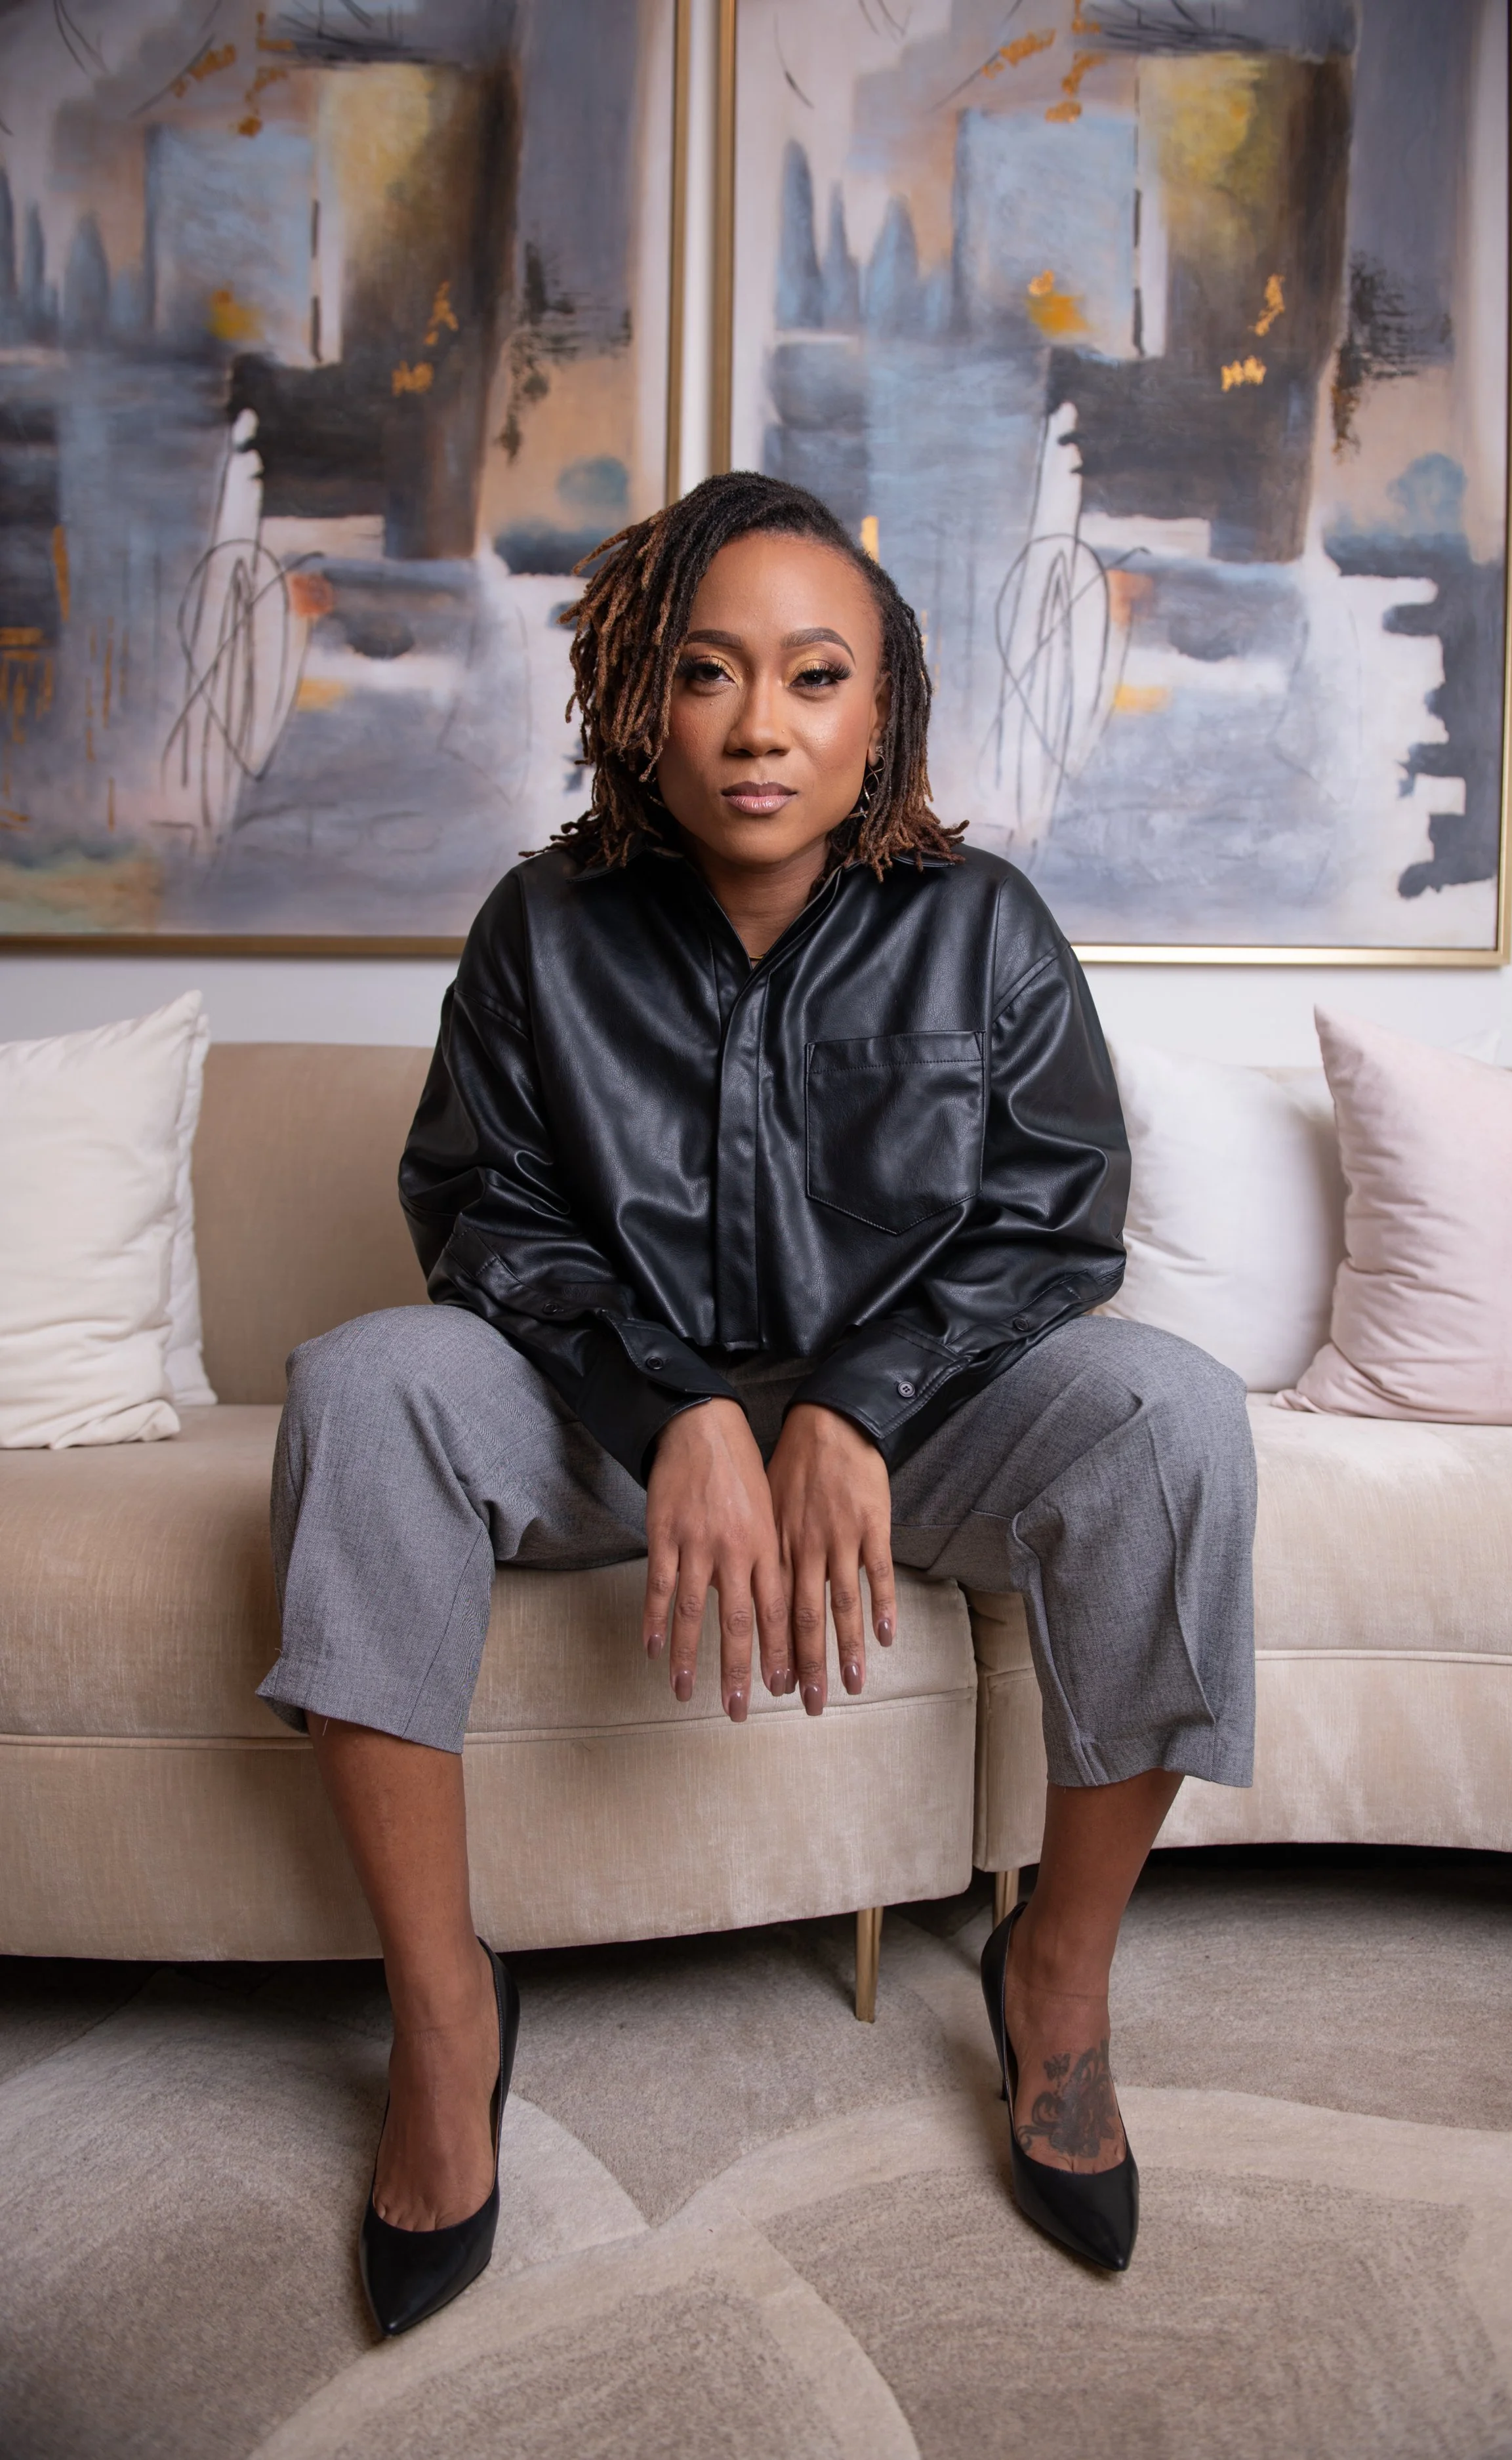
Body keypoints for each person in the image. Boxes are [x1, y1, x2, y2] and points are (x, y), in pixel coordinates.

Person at [260, 472, 1256, 2335]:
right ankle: (444, 2015)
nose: (758, 725)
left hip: (919, 1434)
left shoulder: (986, 929)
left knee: (1170, 1414)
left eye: (813, 676)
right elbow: (482, 1213)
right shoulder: (538, 928)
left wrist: (851, 1404)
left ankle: (1055, 1971)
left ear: (884, 709)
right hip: (597, 1420)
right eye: (709, 673)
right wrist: (680, 1405)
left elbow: (1055, 1224)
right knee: (362, 1382)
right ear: (643, 693)